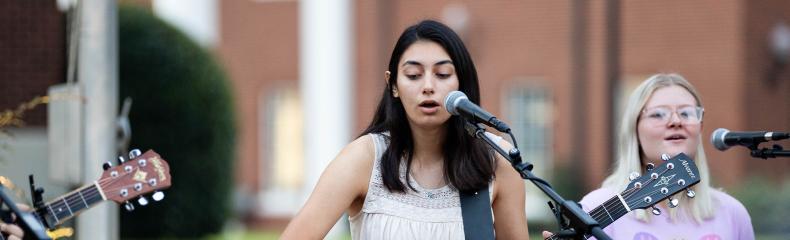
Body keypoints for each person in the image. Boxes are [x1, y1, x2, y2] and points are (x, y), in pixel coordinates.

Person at [281, 20, 530, 239]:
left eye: (442, 74)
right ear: (394, 86)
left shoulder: (497, 160)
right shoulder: (364, 160)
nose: (428, 86)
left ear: (461, 84)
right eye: (413, 75)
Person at [543, 73, 755, 239]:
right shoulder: (596, 207)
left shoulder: (732, 213)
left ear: (700, 127)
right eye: (658, 114)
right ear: (634, 129)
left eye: (686, 113)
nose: (675, 121)